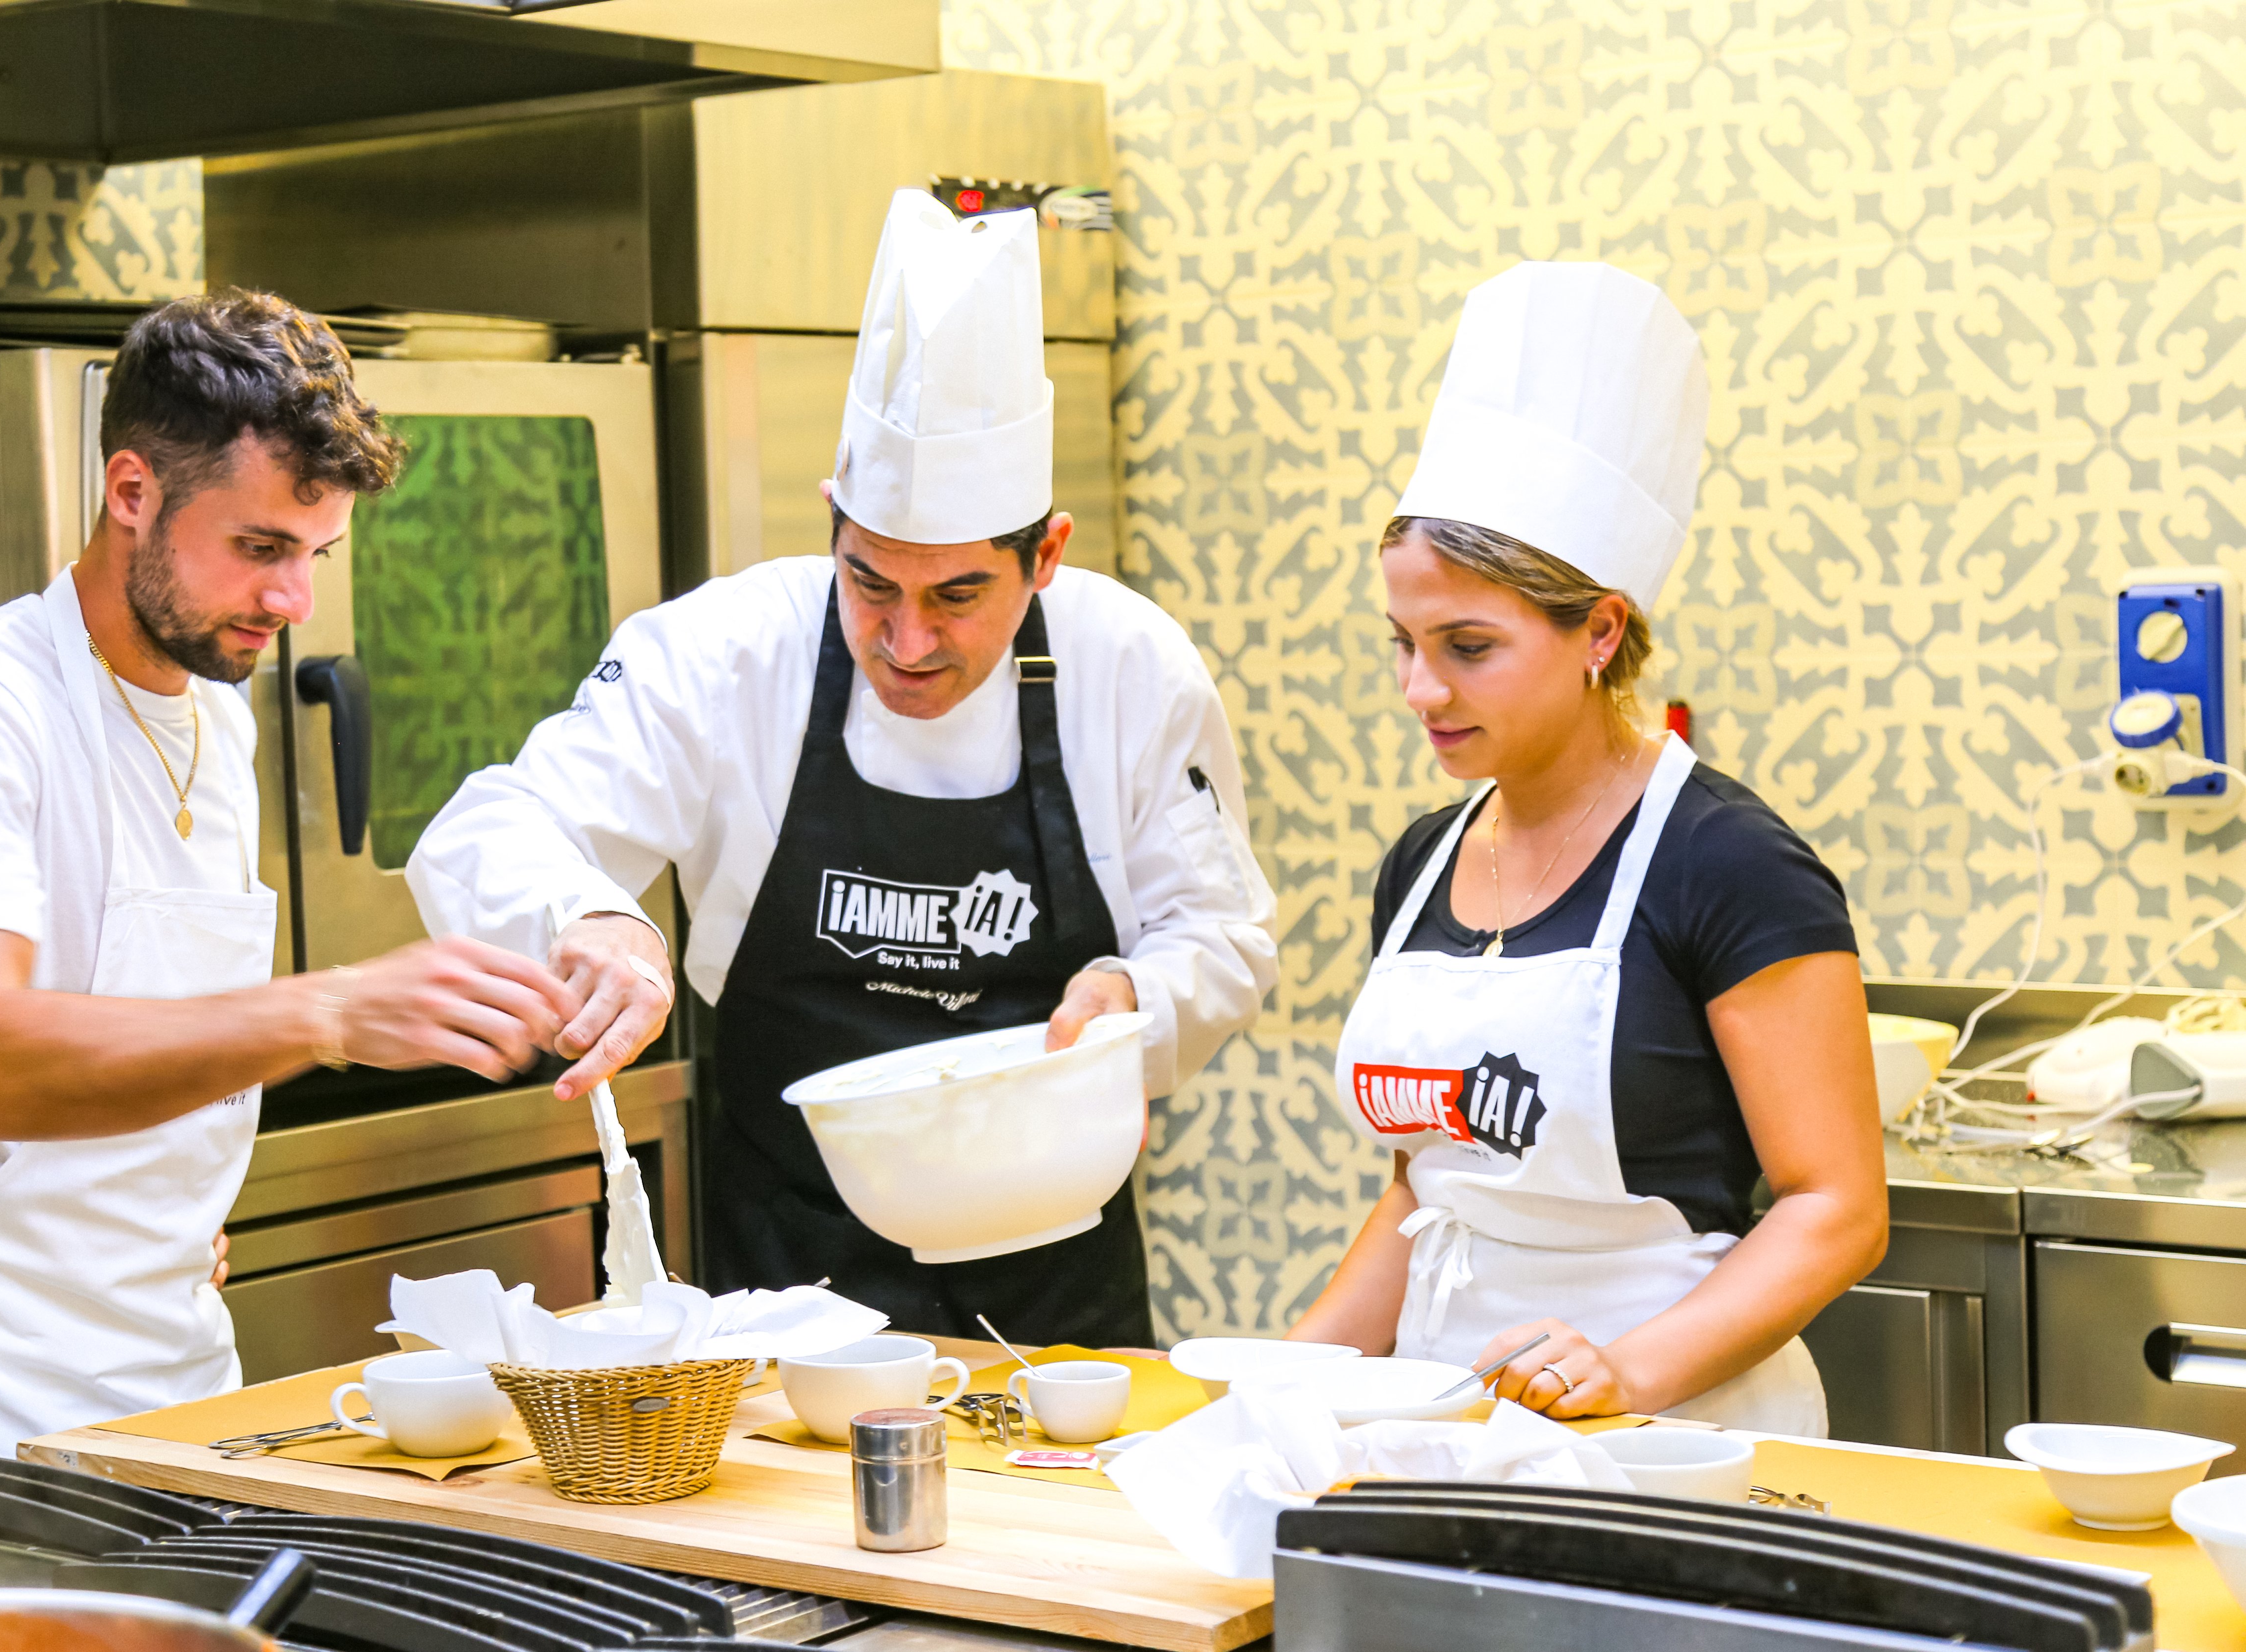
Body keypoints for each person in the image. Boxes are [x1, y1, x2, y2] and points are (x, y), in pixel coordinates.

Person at [408, 190, 1277, 1343]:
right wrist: (595, 917)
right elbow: (484, 825)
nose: (907, 642)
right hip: (784, 1294)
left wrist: (1136, 1001)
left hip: (1061, 1292)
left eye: (959, 595)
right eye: (870, 582)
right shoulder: (725, 652)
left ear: (1047, 554)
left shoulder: (1129, 666)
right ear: (830, 521)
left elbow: (1219, 932)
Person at [0, 291, 581, 1455]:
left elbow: (158, 1043)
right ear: (132, 493)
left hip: (180, 1400)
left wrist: (164, 1202)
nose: (293, 601)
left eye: (316, 554)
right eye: (260, 548)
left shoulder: (220, 727)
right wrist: (330, 1008)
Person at [1286, 262, 1887, 1434]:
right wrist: (1283, 1378)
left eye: (1467, 645)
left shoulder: (1726, 862)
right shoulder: (1422, 864)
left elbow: (1837, 1207)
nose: (1421, 689)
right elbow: (1424, 1194)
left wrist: (1628, 1374)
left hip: (1677, 1434)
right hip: (1447, 1420)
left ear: (1599, 631)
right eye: (1402, 643)